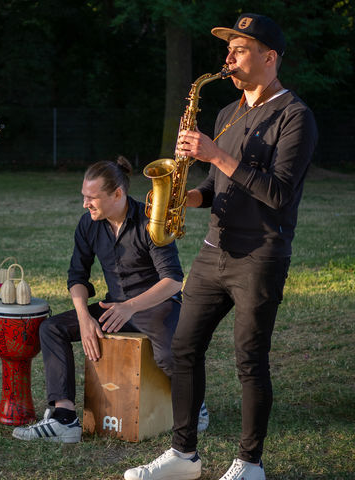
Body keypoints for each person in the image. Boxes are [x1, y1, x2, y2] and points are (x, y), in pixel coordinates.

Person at [123, 13, 317, 480]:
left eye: (241, 49)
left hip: (260, 255)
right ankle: (183, 456)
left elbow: (277, 193)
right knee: (184, 347)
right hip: (213, 251)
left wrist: (216, 154)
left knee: (249, 359)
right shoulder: (227, 113)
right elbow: (215, 184)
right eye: (228, 49)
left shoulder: (296, 116)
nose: (228, 57)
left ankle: (250, 464)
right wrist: (186, 197)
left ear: (269, 58)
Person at [12, 156, 191, 444]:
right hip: (115, 306)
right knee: (51, 328)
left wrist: (130, 306)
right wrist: (84, 318)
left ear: (117, 194)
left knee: (168, 356)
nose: (85, 204)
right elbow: (77, 278)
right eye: (84, 197)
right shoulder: (88, 224)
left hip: (156, 304)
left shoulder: (151, 219)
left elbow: (172, 281)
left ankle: (196, 406)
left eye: (92, 198)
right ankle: (64, 419)